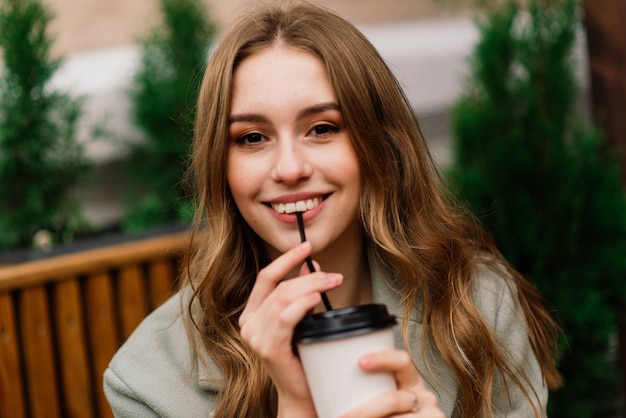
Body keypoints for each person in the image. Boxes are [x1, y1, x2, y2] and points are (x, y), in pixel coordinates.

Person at [104, 2, 562, 417]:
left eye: (322, 128)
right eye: (251, 138)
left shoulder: (477, 303)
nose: (289, 168)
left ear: (379, 146)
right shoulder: (148, 382)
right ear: (219, 166)